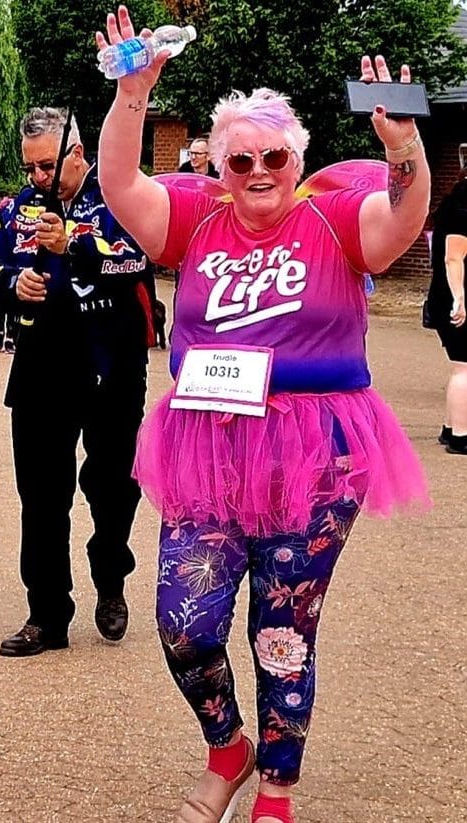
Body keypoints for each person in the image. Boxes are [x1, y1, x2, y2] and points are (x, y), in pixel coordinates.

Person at [96, 9, 430, 822]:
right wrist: (132, 95)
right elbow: (119, 185)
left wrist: (403, 149)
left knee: (282, 631)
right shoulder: (196, 218)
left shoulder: (335, 218)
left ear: (296, 159)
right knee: (184, 622)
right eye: (239, 158)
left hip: (317, 451)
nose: (257, 171)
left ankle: (275, 785)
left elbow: (401, 221)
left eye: (272, 157)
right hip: (206, 444)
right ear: (219, 165)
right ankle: (227, 745)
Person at [0, 106, 155, 657]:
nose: (37, 177)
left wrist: (71, 243)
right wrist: (12, 285)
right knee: (41, 495)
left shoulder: (121, 197)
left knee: (113, 486)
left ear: (77, 153)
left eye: (46, 166)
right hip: (41, 365)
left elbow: (137, 261)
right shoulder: (17, 208)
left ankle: (111, 574)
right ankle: (47, 615)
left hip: (112, 364)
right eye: (29, 167)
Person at [426, 170, 467, 454]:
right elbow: (453, 257)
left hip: (447, 297)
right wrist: (459, 299)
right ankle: (460, 437)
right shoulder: (463, 207)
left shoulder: (454, 202)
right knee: (464, 367)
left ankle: (451, 427)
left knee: (460, 365)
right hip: (454, 299)